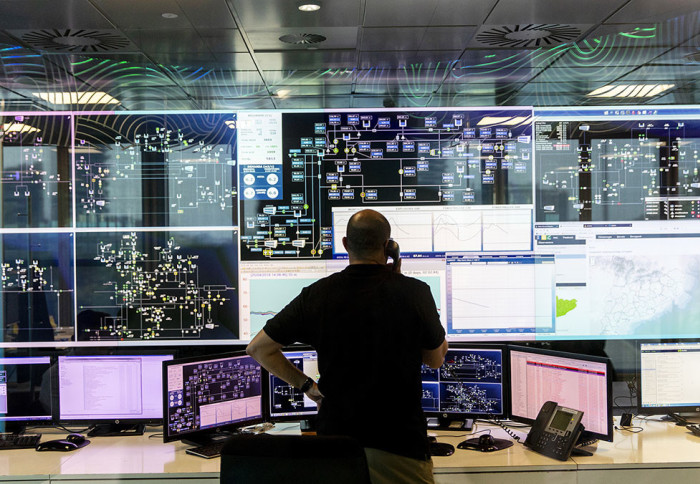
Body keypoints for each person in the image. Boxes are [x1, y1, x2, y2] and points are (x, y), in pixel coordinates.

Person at [246, 209, 448, 484]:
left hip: (335, 450)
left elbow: (258, 349)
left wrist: (309, 388)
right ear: (388, 247)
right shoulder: (415, 292)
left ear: (344, 244)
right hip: (400, 448)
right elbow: (435, 360)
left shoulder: (317, 295)